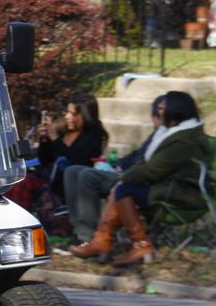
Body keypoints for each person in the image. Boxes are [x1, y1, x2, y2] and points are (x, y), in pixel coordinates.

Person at [71, 91, 209, 265]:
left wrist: (124, 179)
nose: (158, 112)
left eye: (162, 108)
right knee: (123, 190)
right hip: (168, 187)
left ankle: (131, 244)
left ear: (175, 110)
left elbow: (153, 170)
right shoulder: (177, 133)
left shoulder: (184, 140)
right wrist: (124, 178)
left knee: (123, 190)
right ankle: (107, 241)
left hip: (182, 195)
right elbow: (147, 164)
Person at [63, 95, 166, 244]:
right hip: (126, 171)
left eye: (161, 111)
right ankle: (78, 230)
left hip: (136, 179)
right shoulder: (158, 134)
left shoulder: (170, 138)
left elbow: (148, 165)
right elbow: (137, 154)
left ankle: (89, 236)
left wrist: (124, 171)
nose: (155, 116)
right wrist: (118, 164)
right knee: (72, 171)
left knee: (87, 174)